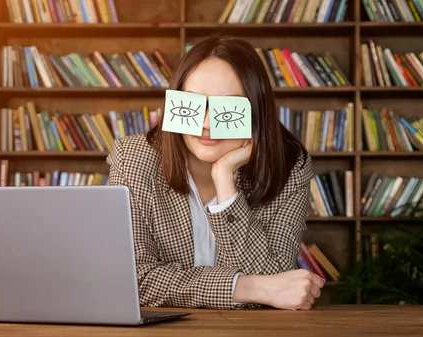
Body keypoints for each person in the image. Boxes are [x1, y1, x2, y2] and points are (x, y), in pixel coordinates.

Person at [106, 35, 324, 310]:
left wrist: (225, 183)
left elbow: (276, 279)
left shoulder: (290, 164)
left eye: (228, 108)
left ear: (255, 111)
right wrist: (244, 287)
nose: (207, 123)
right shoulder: (135, 158)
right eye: (194, 105)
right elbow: (133, 280)